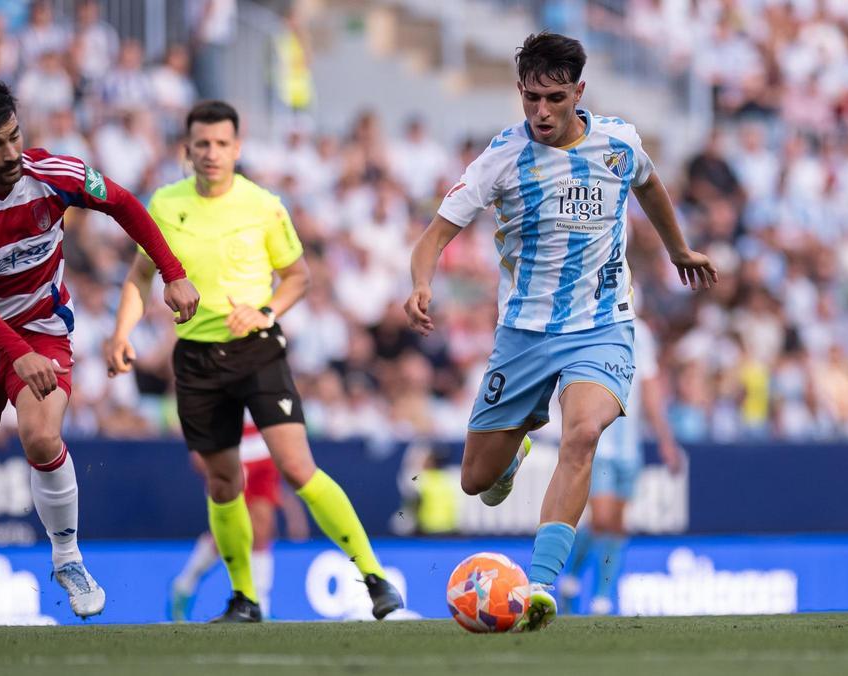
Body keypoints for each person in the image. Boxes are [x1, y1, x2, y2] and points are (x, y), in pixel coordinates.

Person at [404, 32, 716, 631]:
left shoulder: (618, 143)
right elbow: (434, 236)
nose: (541, 112)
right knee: (476, 480)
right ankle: (515, 450)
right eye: (530, 98)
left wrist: (678, 249)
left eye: (553, 98)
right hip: (524, 335)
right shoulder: (501, 158)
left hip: (601, 326)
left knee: (583, 434)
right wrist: (421, 283)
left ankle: (540, 586)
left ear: (579, 91)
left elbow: (649, 184)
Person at [0, 76, 199, 635]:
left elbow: (124, 203)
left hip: (42, 329)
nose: (10, 153)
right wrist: (13, 351)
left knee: (42, 437)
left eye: (14, 136)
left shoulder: (52, 173)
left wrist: (173, 272)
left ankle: (68, 559)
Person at [106, 100, 403, 623]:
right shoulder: (165, 205)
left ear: (237, 148)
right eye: (202, 144)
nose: (212, 153)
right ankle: (245, 598)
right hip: (195, 359)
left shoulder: (263, 205)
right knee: (224, 483)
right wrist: (121, 333)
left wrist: (265, 311)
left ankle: (374, 577)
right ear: (187, 149)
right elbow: (139, 276)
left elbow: (298, 277)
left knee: (297, 467)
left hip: (257, 350)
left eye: (221, 144)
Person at [558, 317, 683, 615]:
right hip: (597, 443)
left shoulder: (641, 333)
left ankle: (601, 597)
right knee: (601, 518)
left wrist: (666, 440)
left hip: (628, 447)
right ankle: (571, 578)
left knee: (616, 523)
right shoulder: (590, 325)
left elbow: (649, 388)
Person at [168, 419, 309, 620]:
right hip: (229, 444)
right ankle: (185, 583)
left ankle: (260, 606)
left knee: (262, 529)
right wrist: (200, 447)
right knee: (229, 534)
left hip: (263, 445)